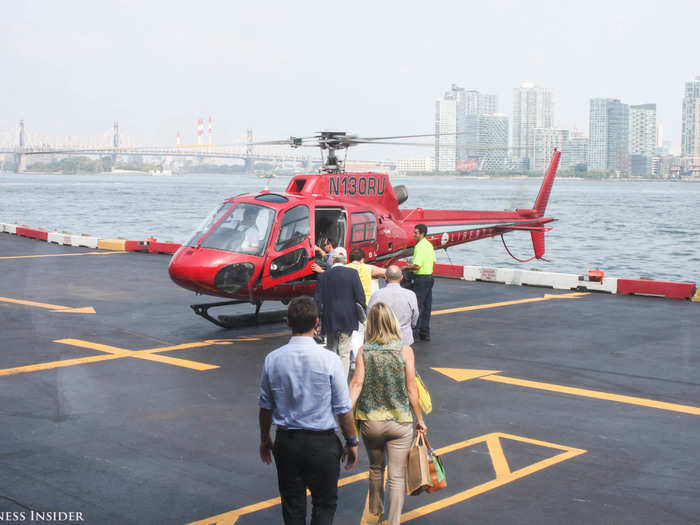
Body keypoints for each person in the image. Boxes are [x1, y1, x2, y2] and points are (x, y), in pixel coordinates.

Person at [258, 296, 359, 525]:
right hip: (322, 444)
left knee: (292, 506)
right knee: (324, 504)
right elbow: (343, 409)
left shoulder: (272, 359)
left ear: (287, 323)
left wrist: (265, 439)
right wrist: (351, 441)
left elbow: (265, 406)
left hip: (287, 442)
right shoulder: (330, 360)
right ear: (317, 324)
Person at [348, 303, 427, 525]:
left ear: (370, 324)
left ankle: (375, 513)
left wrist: (344, 416)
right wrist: (420, 419)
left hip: (370, 422)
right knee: (396, 476)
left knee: (375, 469)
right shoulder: (405, 351)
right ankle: (393, 521)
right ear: (393, 323)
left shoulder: (364, 352)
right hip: (400, 421)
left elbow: (357, 383)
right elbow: (412, 388)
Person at [314, 247, 366, 377]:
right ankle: (341, 380)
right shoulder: (352, 273)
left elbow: (318, 300)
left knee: (331, 349)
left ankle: (332, 375)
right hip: (348, 317)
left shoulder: (324, 276)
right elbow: (360, 297)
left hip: (330, 317)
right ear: (345, 260)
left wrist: (316, 321)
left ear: (332, 259)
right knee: (344, 351)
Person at [346, 247, 387, 367]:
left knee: (353, 333)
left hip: (349, 303)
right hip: (365, 303)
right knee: (367, 332)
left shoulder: (345, 268)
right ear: (363, 259)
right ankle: (365, 360)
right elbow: (385, 272)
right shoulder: (368, 268)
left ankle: (355, 360)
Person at [368, 265, 419, 346]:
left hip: (382, 338)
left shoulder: (376, 295)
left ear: (385, 277)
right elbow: (415, 316)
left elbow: (370, 316)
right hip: (404, 338)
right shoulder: (411, 295)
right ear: (401, 277)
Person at [407, 223, 435, 341]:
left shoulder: (419, 246)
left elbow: (417, 266)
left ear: (422, 234)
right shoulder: (429, 245)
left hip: (421, 279)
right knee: (427, 306)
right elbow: (433, 261)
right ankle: (425, 332)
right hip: (429, 278)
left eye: (416, 233)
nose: (414, 235)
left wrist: (407, 267)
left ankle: (415, 332)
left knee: (417, 306)